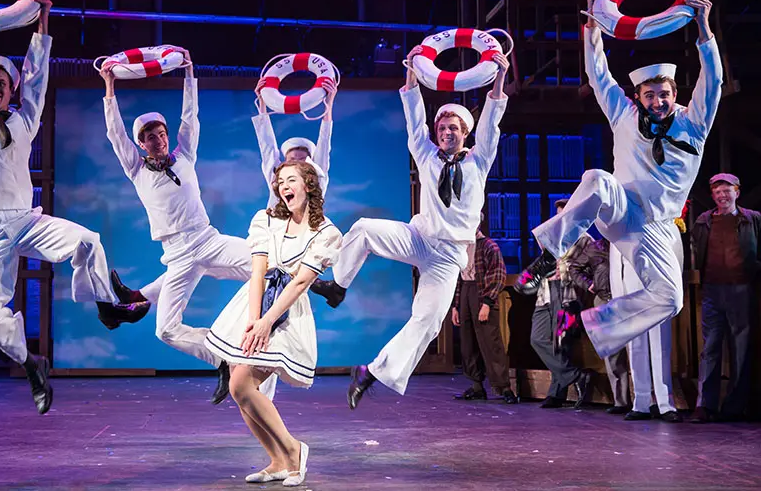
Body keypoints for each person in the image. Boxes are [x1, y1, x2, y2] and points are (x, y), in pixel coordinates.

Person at [0, 0, 147, 415]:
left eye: (1, 84)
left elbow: (38, 72)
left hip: (24, 221)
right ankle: (33, 364)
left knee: (88, 241)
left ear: (11, 89)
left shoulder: (25, 116)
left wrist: (42, 19)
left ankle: (106, 305)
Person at [514, 0, 722, 360]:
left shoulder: (695, 123)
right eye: (650, 95)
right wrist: (593, 27)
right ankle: (548, 256)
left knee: (671, 299)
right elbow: (599, 77)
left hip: (655, 226)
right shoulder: (624, 115)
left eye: (664, 94)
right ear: (639, 96)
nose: (657, 102)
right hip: (620, 209)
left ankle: (585, 323)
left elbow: (714, 81)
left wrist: (703, 26)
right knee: (596, 178)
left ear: (675, 93)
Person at [312, 46, 509, 409]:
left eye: (454, 127)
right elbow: (413, 117)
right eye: (442, 127)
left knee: (428, 321)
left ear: (465, 133)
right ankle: (338, 285)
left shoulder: (479, 161)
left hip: (449, 256)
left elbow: (493, 118)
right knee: (365, 228)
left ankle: (370, 372)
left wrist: (498, 74)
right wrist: (413, 72)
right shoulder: (426, 154)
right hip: (419, 237)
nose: (446, 132)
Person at [100, 56, 253, 404]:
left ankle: (136, 298)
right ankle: (224, 359)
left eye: (160, 134)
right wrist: (109, 87)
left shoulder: (185, 156)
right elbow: (114, 133)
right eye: (149, 137)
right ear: (141, 144)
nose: (157, 140)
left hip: (208, 240)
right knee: (165, 329)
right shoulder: (136, 170)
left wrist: (189, 73)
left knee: (266, 264)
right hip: (179, 254)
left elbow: (190, 117)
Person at [204, 161, 341, 487]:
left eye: (291, 180)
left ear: (308, 185)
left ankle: (294, 450)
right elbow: (258, 271)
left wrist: (267, 322)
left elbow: (298, 283)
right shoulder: (266, 219)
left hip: (287, 314)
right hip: (255, 306)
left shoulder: (327, 233)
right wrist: (253, 320)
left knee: (240, 385)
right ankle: (278, 460)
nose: (284, 187)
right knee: (240, 389)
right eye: (280, 182)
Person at [690, 173, 761, 423]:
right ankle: (705, 405)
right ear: (713, 195)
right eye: (717, 191)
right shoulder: (704, 221)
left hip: (741, 290)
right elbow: (696, 249)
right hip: (711, 291)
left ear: (737, 192)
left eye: (727, 190)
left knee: (740, 350)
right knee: (710, 348)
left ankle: (735, 406)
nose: (722, 195)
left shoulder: (752, 219)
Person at [526, 200, 595, 409]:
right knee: (537, 339)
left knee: (560, 344)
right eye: (558, 215)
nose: (560, 219)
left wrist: (566, 272)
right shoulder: (552, 237)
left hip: (567, 294)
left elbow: (591, 269)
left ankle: (557, 393)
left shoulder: (584, 240)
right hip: (544, 294)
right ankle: (576, 375)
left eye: (564, 214)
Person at [610, 242, 682, 422]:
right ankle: (641, 402)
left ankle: (666, 404)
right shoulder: (617, 223)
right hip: (630, 294)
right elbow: (616, 264)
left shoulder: (659, 218)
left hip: (658, 290)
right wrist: (618, 296)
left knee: (661, 348)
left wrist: (674, 288)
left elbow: (676, 253)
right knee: (636, 349)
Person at [451, 221, 517, 404]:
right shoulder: (460, 247)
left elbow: (498, 274)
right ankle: (477, 386)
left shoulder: (489, 245)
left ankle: (504, 387)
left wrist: (487, 303)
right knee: (468, 342)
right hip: (465, 290)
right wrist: (456, 306)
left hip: (481, 292)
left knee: (490, 341)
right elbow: (457, 277)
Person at [568, 237, 632, 414]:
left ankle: (647, 401)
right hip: (604, 300)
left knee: (636, 351)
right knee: (612, 354)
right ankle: (621, 401)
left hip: (629, 301)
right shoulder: (595, 247)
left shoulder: (628, 242)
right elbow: (574, 268)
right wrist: (589, 284)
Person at [252, 77, 337, 209]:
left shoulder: (317, 177)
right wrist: (263, 102)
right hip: (274, 227)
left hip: (308, 228)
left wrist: (329, 104)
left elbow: (325, 141)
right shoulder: (277, 179)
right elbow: (266, 145)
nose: (296, 162)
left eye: (302, 159)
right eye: (291, 159)